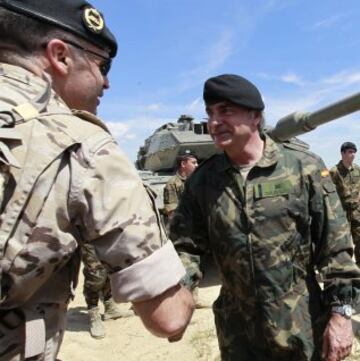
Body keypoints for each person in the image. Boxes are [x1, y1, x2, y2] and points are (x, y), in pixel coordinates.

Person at [0, 1, 194, 360]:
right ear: (59, 55)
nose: (107, 81)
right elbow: (168, 318)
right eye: (102, 64)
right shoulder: (82, 144)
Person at [170, 74, 360, 361]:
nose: (214, 121)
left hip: (301, 326)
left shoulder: (303, 168)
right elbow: (186, 247)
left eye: (226, 111)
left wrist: (342, 314)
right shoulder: (203, 181)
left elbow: (335, 247)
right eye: (210, 113)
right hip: (238, 334)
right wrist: (179, 292)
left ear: (255, 116)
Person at [81, 242, 133, 339]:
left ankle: (110, 308)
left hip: (107, 233)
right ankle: (93, 313)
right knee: (95, 275)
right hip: (88, 235)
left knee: (110, 267)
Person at [330, 142, 360, 264]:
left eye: (354, 152)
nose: (353, 155)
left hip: (357, 212)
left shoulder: (357, 169)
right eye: (350, 152)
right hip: (342, 214)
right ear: (342, 153)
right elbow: (328, 192)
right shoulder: (334, 172)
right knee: (345, 245)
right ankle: (348, 273)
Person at [163, 149, 198, 218]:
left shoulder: (197, 179)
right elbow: (171, 212)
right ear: (183, 164)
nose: (197, 165)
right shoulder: (173, 183)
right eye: (193, 163)